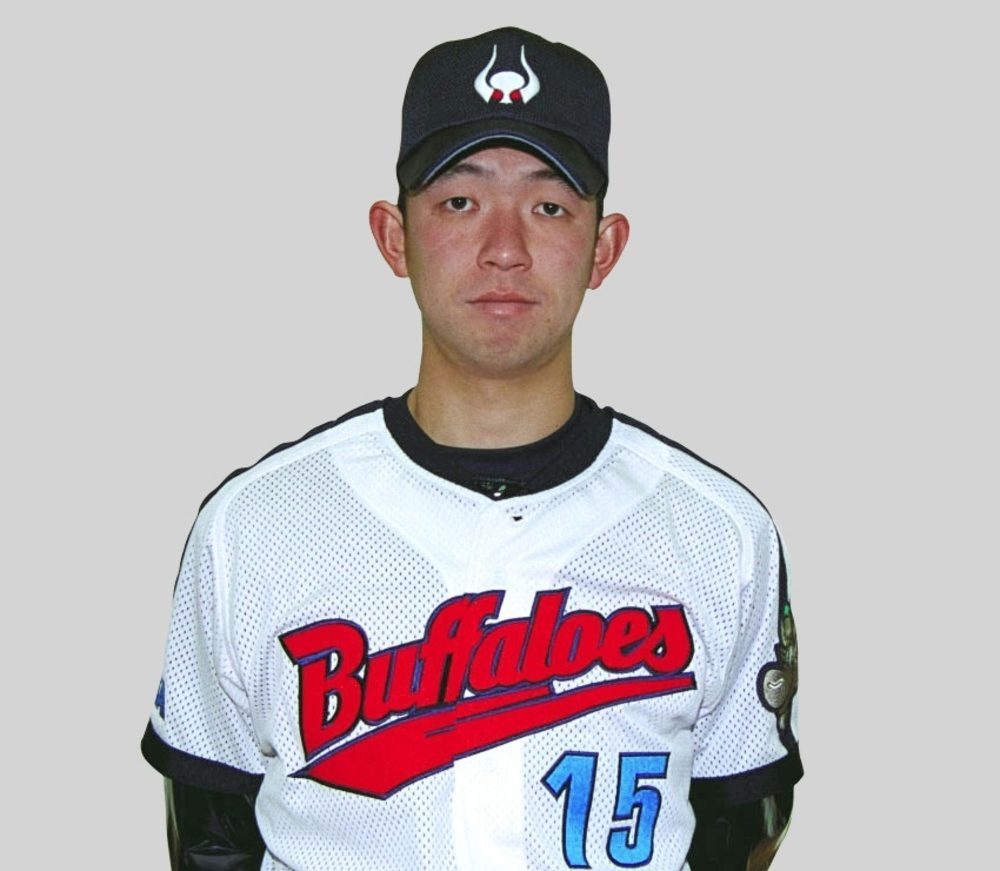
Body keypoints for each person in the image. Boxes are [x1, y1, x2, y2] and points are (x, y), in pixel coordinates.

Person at [142, 26, 802, 871]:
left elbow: (741, 826)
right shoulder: (254, 525)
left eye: (549, 206)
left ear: (603, 248)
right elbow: (209, 834)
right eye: (459, 201)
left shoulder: (718, 534)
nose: (505, 249)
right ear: (393, 236)